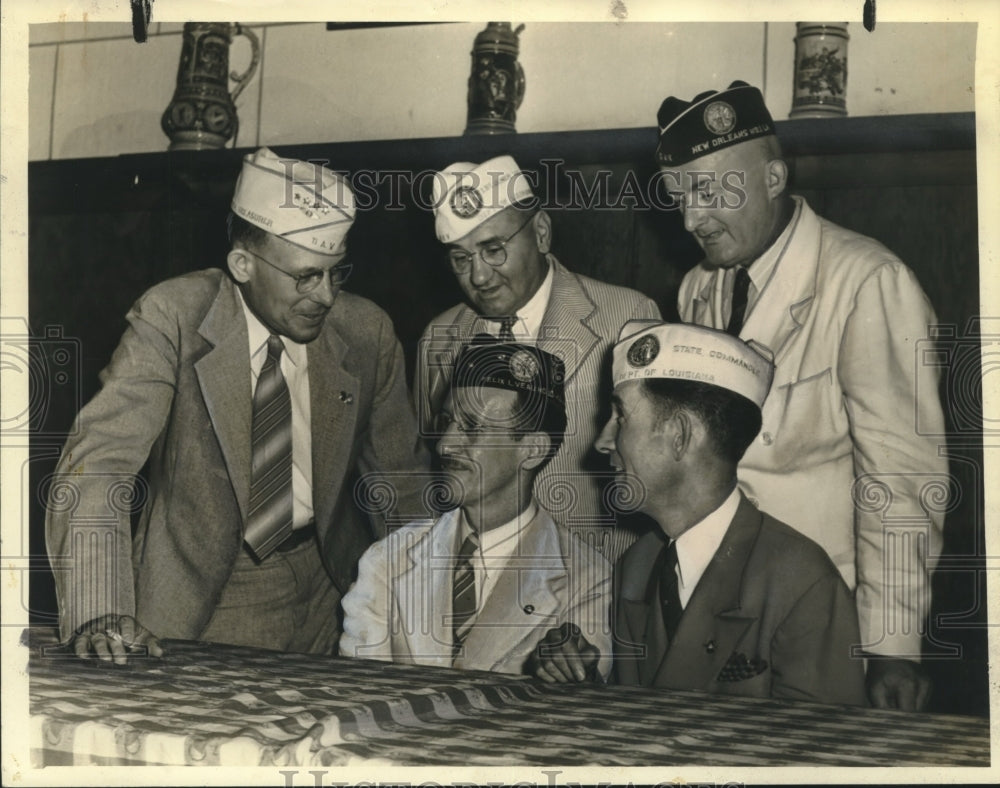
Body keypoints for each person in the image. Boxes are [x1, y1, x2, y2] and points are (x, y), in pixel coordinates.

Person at [45, 147, 430, 663]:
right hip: (208, 590)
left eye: (336, 273)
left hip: (332, 587)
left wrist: (429, 611)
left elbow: (401, 483)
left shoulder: (366, 332)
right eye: (305, 276)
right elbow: (99, 462)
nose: (326, 298)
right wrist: (98, 609)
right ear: (242, 264)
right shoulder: (174, 316)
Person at [654, 81, 946, 710]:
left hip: (819, 612)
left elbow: (901, 477)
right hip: (714, 604)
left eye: (709, 193)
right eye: (679, 198)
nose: (691, 219)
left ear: (774, 177)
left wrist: (892, 646)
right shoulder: (697, 289)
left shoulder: (867, 280)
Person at [531, 321, 867, 707]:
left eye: (621, 418)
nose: (603, 442)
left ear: (680, 434)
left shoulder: (803, 584)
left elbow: (820, 756)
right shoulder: (637, 566)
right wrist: (580, 683)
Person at [416, 154, 661, 563]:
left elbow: (651, 469)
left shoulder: (626, 317)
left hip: (601, 575)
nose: (478, 276)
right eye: (461, 258)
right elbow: (436, 469)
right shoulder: (439, 341)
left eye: (494, 249)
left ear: (542, 233)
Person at [340, 340, 612, 677]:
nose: (445, 444)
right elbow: (359, 688)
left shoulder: (588, 578)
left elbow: (581, 705)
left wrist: (571, 672)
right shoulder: (387, 560)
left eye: (472, 427)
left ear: (532, 449)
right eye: (447, 422)